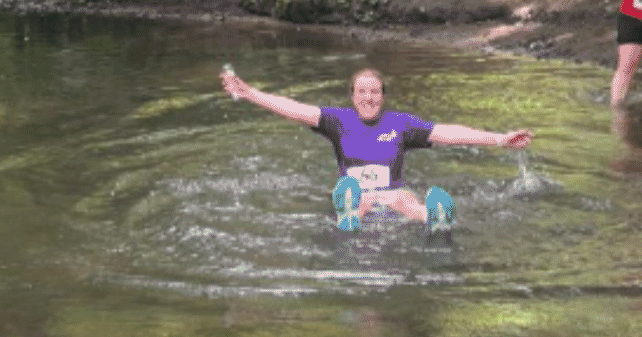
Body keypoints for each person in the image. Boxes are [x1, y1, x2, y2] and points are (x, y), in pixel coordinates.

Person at [219, 66, 532, 231]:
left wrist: (499, 139)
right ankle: (349, 217)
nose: (368, 98)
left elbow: (447, 132)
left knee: (404, 200)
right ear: (352, 96)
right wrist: (248, 93)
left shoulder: (401, 124)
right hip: (355, 193)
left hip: (393, 191)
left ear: (383, 96)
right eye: (362, 92)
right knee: (359, 196)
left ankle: (435, 219)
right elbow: (293, 109)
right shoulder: (336, 120)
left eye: (375, 92)